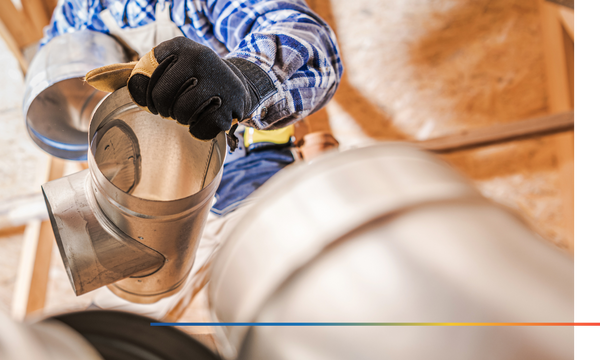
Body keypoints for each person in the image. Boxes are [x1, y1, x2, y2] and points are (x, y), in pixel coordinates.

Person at [41, 0, 342, 317]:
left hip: (245, 164)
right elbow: (55, 77)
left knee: (290, 298)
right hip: (142, 185)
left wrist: (248, 77)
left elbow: (307, 40)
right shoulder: (80, 8)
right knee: (110, 329)